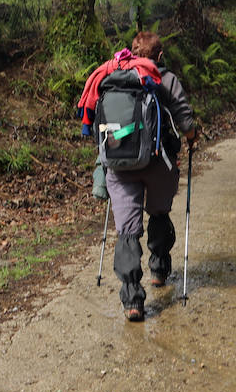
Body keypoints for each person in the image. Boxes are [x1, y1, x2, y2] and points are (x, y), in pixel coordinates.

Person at [80, 32, 198, 321]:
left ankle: (132, 299)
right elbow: (183, 116)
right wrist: (192, 136)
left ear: (132, 52)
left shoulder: (112, 76)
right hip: (158, 163)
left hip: (119, 167)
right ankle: (158, 270)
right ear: (159, 57)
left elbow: (94, 118)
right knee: (159, 212)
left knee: (128, 230)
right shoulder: (163, 77)